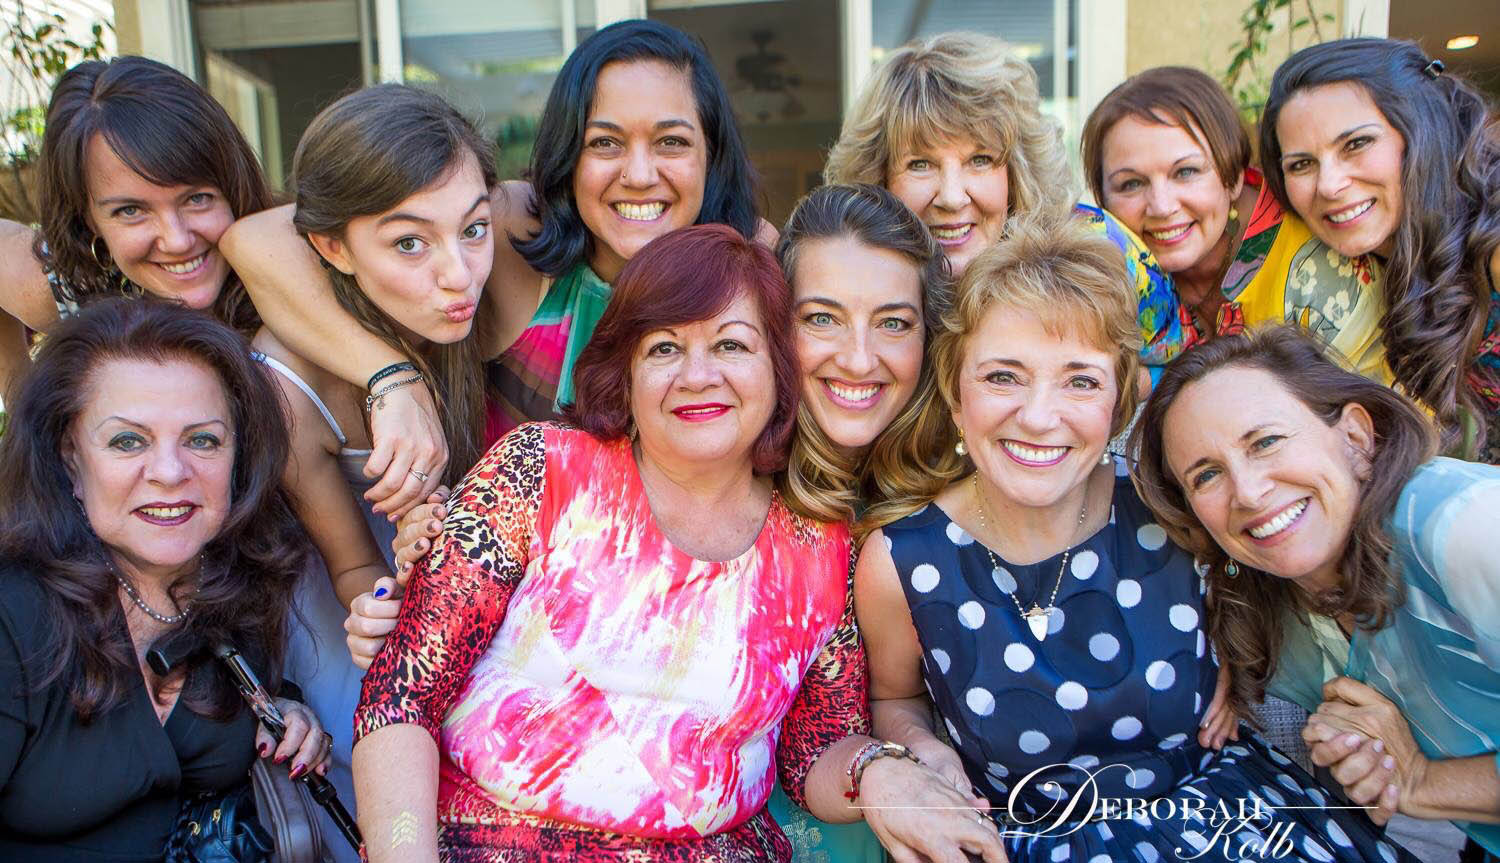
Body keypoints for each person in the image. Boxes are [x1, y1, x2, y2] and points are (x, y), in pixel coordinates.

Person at [352, 224, 1006, 863]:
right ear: (625, 368)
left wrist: (880, 771)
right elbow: (401, 698)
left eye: (731, 345)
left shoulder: (822, 550)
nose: (698, 374)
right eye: (664, 347)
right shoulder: (540, 470)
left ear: (779, 370)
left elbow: (815, 749)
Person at [854, 214, 1415, 862]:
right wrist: (920, 749)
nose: (1039, 416)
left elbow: (1271, 569)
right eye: (1003, 376)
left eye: (1080, 380)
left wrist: (1236, 647)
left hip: (1236, 822)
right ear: (955, 396)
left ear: (1119, 403)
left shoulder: (1169, 500)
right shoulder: (904, 561)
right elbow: (895, 696)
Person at [220, 18, 764, 517]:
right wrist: (391, 377)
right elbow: (258, 239)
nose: (640, 174)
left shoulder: (754, 261)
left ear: (711, 156)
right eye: (605, 142)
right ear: (568, 153)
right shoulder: (514, 231)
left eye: (671, 141)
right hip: (501, 595)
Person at [223, 82, 500, 863]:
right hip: (343, 643)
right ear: (334, 248)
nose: (458, 274)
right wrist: (385, 597)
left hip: (472, 620)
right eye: (409, 242)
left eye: (473, 230)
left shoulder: (457, 295)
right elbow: (353, 568)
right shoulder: (286, 385)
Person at [1134, 323, 1500, 861]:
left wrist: (1421, 780)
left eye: (1266, 441)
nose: (1250, 492)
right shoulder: (1283, 614)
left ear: (1355, 437)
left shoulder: (1464, 527)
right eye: (1207, 475)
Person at [0, 298, 332, 861]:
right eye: (128, 441)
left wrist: (284, 711)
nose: (171, 473)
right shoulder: (14, 613)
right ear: (70, 461)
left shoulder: (235, 582)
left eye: (203, 439)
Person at [822, 31, 1195, 382]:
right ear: (880, 177)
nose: (952, 197)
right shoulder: (858, 274)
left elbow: (1181, 368)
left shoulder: (1099, 251)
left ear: (1016, 172)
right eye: (921, 164)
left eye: (980, 160)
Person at [1258, 38, 1500, 458]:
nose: (1329, 185)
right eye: (1301, 164)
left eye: (1356, 144)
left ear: (1421, 131)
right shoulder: (1355, 268)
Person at [1083, 66, 1386, 382]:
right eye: (1130, 184)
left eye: (1185, 172)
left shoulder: (1316, 274)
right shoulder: (1107, 263)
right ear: (1102, 197)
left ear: (1233, 177)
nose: (1161, 206)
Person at [0, 56, 274, 394]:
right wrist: (21, 402)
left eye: (197, 198)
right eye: (131, 211)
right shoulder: (70, 288)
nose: (176, 240)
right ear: (88, 218)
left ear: (233, 188)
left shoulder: (300, 267)